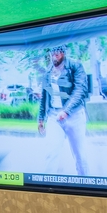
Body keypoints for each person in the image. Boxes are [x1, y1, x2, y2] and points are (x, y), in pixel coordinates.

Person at [37, 48, 91, 176]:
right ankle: (47, 188)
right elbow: (44, 96)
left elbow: (80, 90)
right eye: (52, 52)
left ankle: (86, 185)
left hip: (75, 115)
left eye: (57, 52)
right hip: (53, 116)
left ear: (64, 52)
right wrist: (40, 119)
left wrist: (66, 111)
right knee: (51, 153)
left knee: (80, 156)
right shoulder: (48, 72)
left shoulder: (75, 66)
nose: (54, 55)